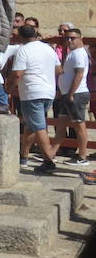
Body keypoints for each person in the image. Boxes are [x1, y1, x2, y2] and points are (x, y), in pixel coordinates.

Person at [9, 23, 61, 174]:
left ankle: (49, 161)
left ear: (20, 37)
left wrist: (10, 87)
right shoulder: (48, 49)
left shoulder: (23, 50)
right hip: (48, 92)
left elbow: (18, 74)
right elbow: (58, 69)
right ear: (35, 33)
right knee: (31, 126)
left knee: (38, 127)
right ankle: (23, 157)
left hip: (32, 93)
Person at [55, 27, 90, 168]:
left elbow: (79, 74)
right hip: (67, 94)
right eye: (67, 38)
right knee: (61, 125)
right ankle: (51, 153)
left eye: (72, 38)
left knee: (79, 125)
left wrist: (70, 93)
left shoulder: (78, 54)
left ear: (80, 39)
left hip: (76, 94)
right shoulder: (73, 53)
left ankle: (82, 157)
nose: (69, 40)